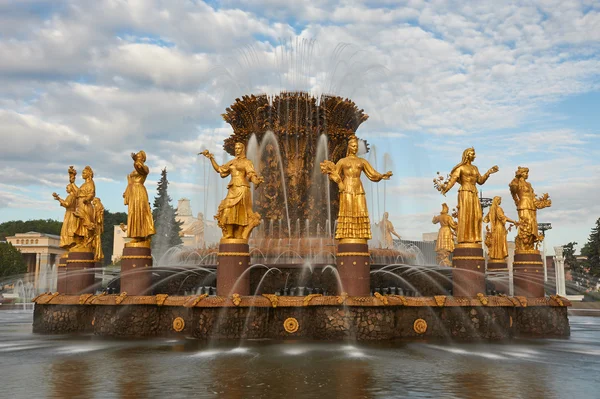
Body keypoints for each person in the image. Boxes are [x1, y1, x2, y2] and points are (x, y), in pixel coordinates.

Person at [321, 135, 392, 241]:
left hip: (358, 187)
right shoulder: (342, 161)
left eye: (356, 146)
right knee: (347, 209)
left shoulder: (362, 161)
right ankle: (346, 234)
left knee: (360, 209)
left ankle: (360, 234)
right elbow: (334, 173)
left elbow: (372, 173)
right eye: (353, 146)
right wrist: (339, 182)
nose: (355, 148)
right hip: (347, 188)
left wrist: (382, 176)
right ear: (349, 147)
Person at [200, 142, 263, 240]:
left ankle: (239, 233)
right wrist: (211, 158)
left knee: (241, 211)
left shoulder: (247, 162)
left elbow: (251, 174)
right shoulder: (231, 162)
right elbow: (220, 169)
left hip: (242, 188)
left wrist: (256, 181)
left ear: (243, 149)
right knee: (227, 209)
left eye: (239, 148)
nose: (237, 150)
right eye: (236, 148)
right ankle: (229, 233)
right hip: (232, 188)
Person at [440, 148, 498, 244]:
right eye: (472, 154)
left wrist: (489, 172)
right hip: (465, 192)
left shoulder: (475, 168)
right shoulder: (460, 168)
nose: (474, 156)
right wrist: (445, 189)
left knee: (477, 215)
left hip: (474, 192)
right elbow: (453, 180)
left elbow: (480, 181)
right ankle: (464, 238)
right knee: (466, 214)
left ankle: (473, 237)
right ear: (467, 155)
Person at [123, 150, 155, 244]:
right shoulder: (134, 170)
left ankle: (142, 235)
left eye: (139, 155)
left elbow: (140, 168)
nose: (137, 156)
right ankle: (136, 235)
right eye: (137, 155)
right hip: (133, 192)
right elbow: (130, 183)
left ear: (143, 158)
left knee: (140, 211)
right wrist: (126, 192)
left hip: (139, 191)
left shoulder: (144, 168)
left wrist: (136, 161)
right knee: (133, 212)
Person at [483, 197, 517, 262]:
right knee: (499, 242)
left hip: (494, 228)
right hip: (499, 228)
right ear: (497, 201)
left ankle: (495, 256)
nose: (500, 202)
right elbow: (504, 217)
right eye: (500, 200)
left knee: (496, 242)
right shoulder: (498, 209)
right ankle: (499, 256)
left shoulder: (491, 209)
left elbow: (485, 219)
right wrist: (513, 221)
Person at [52, 166, 78, 249]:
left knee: (66, 229)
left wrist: (59, 199)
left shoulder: (71, 196)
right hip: (72, 213)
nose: (66, 189)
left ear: (70, 189)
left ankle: (69, 243)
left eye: (67, 188)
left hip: (70, 214)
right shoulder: (73, 196)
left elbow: (67, 204)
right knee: (68, 229)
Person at [73, 166, 96, 248]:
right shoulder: (84, 184)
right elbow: (77, 193)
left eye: (84, 173)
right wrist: (72, 183)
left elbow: (91, 193)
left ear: (88, 174)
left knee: (86, 223)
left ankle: (87, 242)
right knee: (80, 223)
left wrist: (87, 199)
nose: (82, 174)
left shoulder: (90, 183)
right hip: (80, 205)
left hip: (85, 205)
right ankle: (81, 242)